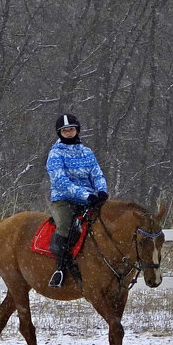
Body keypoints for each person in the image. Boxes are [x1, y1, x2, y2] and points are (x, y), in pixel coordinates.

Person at [45, 113, 108, 288]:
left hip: (90, 198)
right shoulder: (55, 154)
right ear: (60, 133)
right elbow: (60, 181)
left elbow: (97, 173)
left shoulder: (87, 152)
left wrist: (102, 190)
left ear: (77, 130)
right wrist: (84, 195)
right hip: (64, 199)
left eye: (71, 129)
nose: (69, 133)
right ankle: (61, 268)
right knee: (66, 226)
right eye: (65, 130)